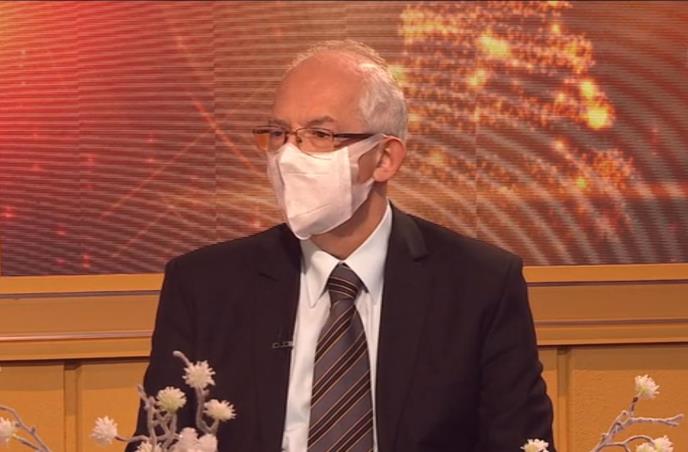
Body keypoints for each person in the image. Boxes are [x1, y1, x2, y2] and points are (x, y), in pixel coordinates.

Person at [130, 39, 555, 452]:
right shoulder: (204, 286)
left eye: (319, 134)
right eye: (279, 134)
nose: (288, 157)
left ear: (385, 158)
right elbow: (159, 441)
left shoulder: (480, 285)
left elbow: (521, 444)